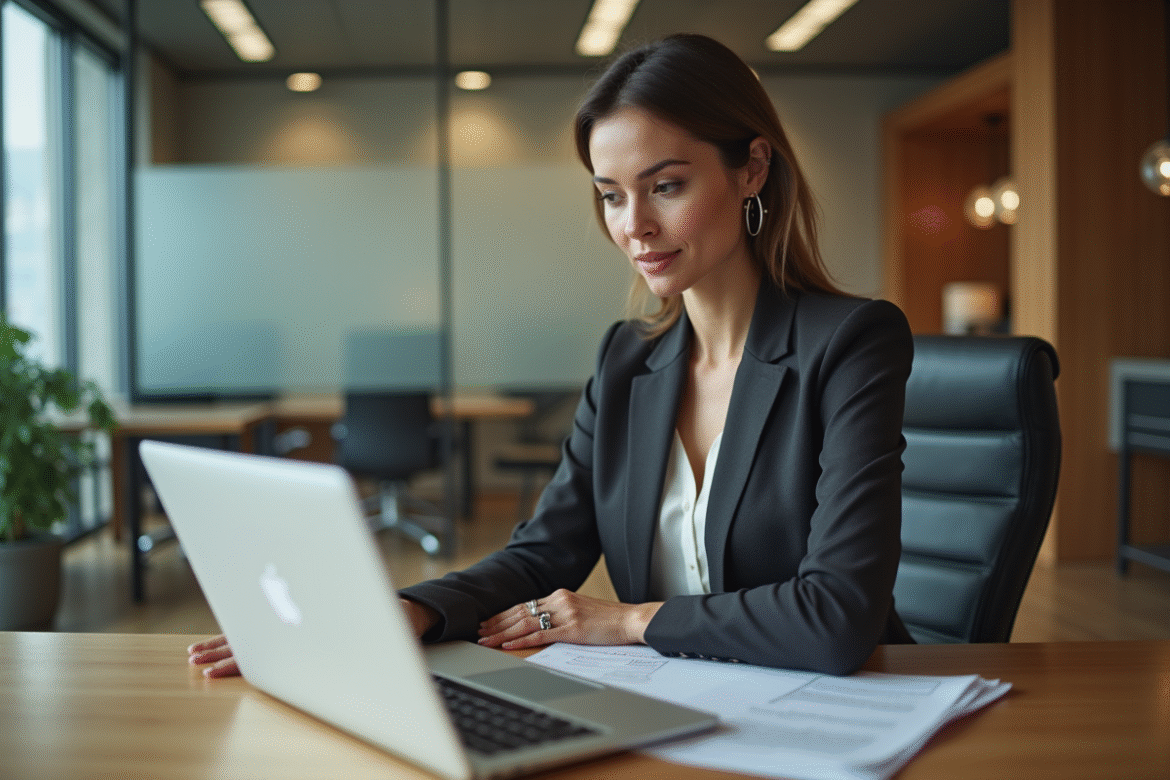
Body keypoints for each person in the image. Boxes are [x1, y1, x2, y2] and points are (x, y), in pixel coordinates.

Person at [189, 32, 914, 680]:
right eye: (611, 196)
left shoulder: (850, 344)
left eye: (666, 186)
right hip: (682, 707)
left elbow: (839, 614)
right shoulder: (629, 360)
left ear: (752, 168)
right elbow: (543, 555)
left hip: (833, 707)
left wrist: (628, 621)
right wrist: (402, 612)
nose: (635, 228)